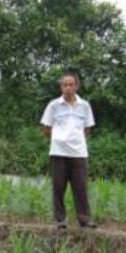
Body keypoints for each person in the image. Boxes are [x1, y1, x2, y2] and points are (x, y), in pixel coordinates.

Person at [40, 71, 96, 229]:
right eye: (65, 85)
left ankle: (84, 219)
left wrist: (75, 140)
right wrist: (59, 139)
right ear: (61, 87)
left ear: (77, 86)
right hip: (58, 152)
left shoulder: (84, 105)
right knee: (58, 187)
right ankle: (60, 220)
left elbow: (87, 128)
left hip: (79, 153)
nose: (68, 87)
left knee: (81, 187)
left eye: (71, 84)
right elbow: (46, 128)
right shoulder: (53, 105)